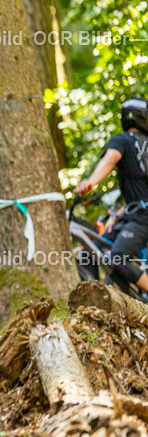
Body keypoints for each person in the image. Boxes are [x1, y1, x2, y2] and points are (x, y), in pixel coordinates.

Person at [76, 96, 148, 295]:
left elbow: (109, 160)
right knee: (87, 254)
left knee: (116, 258)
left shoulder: (122, 140)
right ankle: (94, 301)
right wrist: (116, 216)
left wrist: (89, 183)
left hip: (140, 219)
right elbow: (140, 196)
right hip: (132, 216)